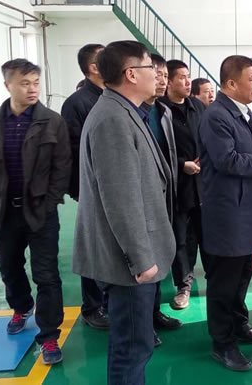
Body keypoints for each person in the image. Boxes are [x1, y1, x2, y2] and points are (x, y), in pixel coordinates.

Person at [72, 41, 176, 384]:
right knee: (132, 347)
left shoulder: (125, 111)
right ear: (131, 74)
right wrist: (141, 260)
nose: (158, 76)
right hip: (128, 264)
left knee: (135, 344)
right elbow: (121, 198)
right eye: (151, 69)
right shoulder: (113, 119)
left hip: (130, 259)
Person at [0, 58, 71, 365]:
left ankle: (49, 336)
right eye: (25, 83)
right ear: (8, 85)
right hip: (3, 211)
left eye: (36, 83)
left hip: (40, 212)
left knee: (47, 275)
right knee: (9, 267)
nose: (32, 89)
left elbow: (62, 166)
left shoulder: (52, 121)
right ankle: (22, 306)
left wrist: (50, 201)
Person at [199, 55, 252, 372]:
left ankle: (238, 325)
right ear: (232, 83)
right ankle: (222, 344)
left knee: (242, 277)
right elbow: (228, 161)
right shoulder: (216, 116)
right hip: (228, 217)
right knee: (224, 283)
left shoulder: (241, 113)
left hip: (245, 214)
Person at [61, 43, 110, 330]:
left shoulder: (111, 96)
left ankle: (109, 301)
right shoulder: (77, 103)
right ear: (93, 67)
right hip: (92, 187)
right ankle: (92, 307)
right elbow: (74, 151)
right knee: (94, 247)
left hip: (111, 186)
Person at [140, 53, 183, 344]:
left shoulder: (163, 112)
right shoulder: (131, 113)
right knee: (141, 261)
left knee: (157, 258)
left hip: (164, 197)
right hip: (141, 199)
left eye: (165, 75)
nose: (162, 80)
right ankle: (142, 323)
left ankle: (154, 313)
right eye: (157, 74)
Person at [160, 60, 206, 310]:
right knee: (180, 239)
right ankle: (183, 285)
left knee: (207, 235)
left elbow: (208, 138)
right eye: (181, 77)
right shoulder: (159, 110)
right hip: (177, 186)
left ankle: (214, 278)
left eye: (189, 77)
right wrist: (181, 164)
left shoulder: (197, 107)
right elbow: (157, 149)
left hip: (203, 184)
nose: (188, 82)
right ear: (168, 81)